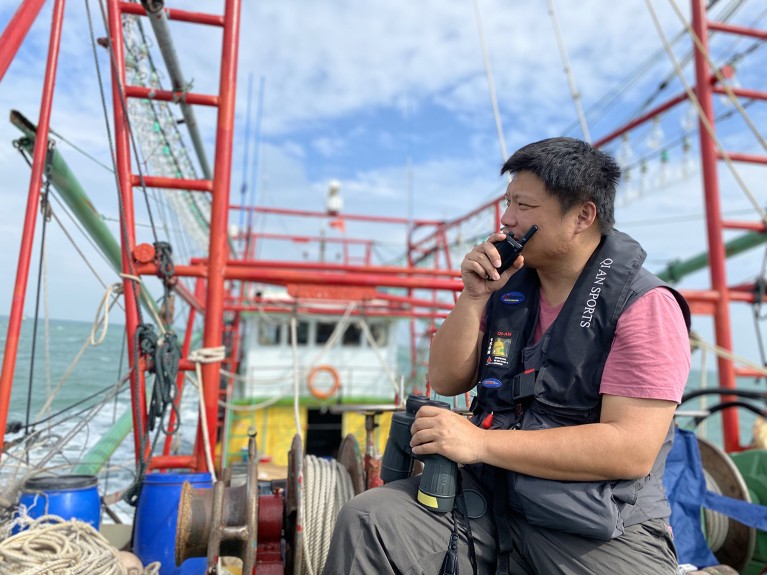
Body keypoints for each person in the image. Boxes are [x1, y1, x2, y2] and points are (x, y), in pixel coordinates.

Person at [323, 137, 691, 575]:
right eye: (508, 202)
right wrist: (474, 297)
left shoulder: (644, 305)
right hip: (490, 504)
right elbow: (445, 378)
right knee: (369, 520)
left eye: (525, 206)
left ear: (582, 216)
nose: (508, 218)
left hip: (596, 528)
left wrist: (479, 442)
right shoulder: (508, 287)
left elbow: (629, 450)